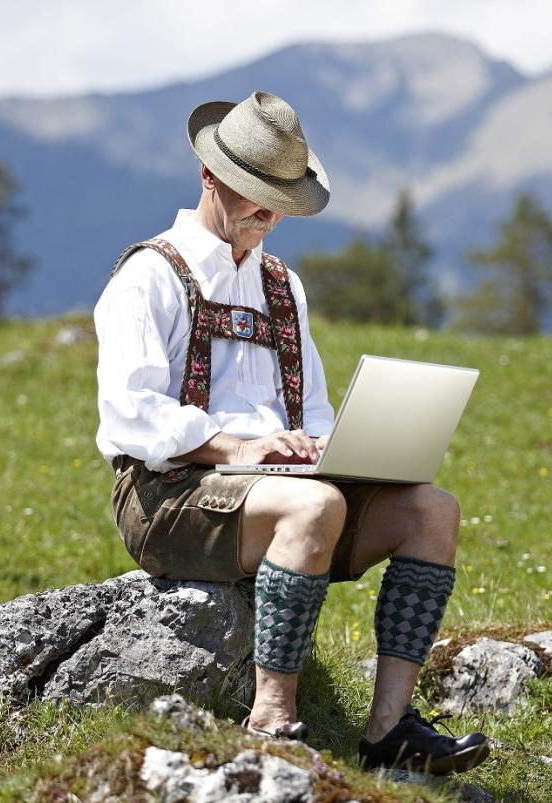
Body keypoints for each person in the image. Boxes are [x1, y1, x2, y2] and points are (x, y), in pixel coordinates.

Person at [94, 90, 488, 775]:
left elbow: (313, 410)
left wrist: (336, 452)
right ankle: (272, 719)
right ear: (209, 178)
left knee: (432, 508)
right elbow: (129, 410)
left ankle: (389, 727)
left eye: (279, 199)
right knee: (317, 505)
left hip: (280, 494)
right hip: (167, 495)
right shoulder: (148, 276)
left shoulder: (282, 285)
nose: (267, 212)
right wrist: (234, 446)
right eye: (253, 193)